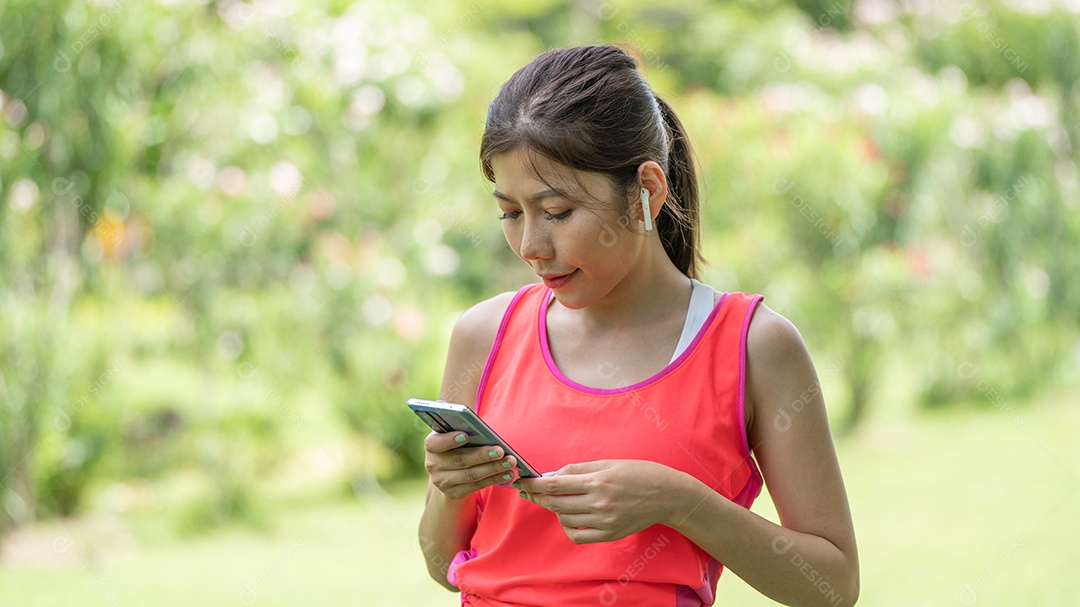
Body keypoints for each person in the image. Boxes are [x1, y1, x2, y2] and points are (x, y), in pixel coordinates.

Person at [419, 45, 859, 607]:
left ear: (647, 190)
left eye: (557, 212)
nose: (530, 245)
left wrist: (680, 501)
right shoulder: (484, 335)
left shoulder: (753, 346)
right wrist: (449, 489)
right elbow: (443, 564)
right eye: (510, 212)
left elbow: (834, 587)